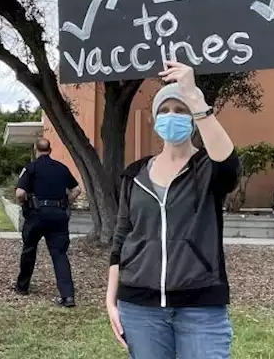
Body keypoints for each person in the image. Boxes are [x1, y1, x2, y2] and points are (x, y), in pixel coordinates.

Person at [106, 61, 241, 359]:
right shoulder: (135, 174)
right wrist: (111, 299)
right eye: (164, 111)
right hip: (140, 308)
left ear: (192, 118)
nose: (172, 117)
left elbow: (229, 166)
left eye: (180, 111)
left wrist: (193, 97)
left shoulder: (208, 168)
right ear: (155, 119)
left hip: (201, 308)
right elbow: (122, 237)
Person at [14, 138, 80, 307]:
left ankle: (22, 287)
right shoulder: (61, 168)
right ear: (50, 150)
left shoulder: (31, 168)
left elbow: (20, 193)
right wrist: (67, 202)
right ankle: (68, 296)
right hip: (58, 216)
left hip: (37, 215)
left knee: (29, 249)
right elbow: (77, 189)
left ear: (36, 150)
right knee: (59, 255)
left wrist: (25, 205)